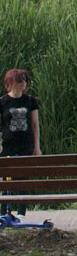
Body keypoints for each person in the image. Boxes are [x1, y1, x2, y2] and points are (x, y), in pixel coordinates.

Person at [0, 69, 41, 218]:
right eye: (20, 80)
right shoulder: (3, 102)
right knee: (6, 178)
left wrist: (37, 147)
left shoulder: (30, 101)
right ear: (11, 82)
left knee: (23, 177)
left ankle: (21, 212)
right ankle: (4, 211)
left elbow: (35, 124)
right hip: (8, 145)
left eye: (25, 80)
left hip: (26, 144)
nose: (23, 83)